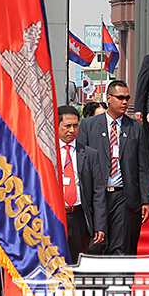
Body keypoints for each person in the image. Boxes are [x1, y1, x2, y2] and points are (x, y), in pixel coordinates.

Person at [78, 80, 149, 296]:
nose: (124, 102)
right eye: (120, 98)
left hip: (123, 195)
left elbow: (143, 165)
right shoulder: (89, 126)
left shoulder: (134, 127)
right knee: (95, 245)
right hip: (95, 196)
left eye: (127, 98)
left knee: (119, 247)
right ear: (108, 98)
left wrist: (146, 199)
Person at [55, 107, 107, 268]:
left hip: (78, 216)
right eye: (67, 126)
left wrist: (99, 225)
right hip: (54, 216)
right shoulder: (48, 152)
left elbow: (98, 191)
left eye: (75, 126)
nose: (72, 130)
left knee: (77, 265)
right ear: (57, 126)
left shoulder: (89, 154)